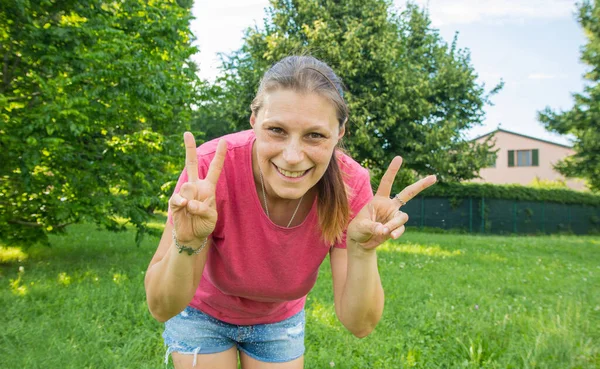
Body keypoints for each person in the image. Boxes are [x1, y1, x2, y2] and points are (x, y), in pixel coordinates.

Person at [144, 55, 436, 369]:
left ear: (340, 132)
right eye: (277, 130)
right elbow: (162, 308)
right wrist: (186, 242)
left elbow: (360, 325)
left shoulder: (351, 185)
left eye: (315, 135)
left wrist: (362, 251)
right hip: (203, 312)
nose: (293, 156)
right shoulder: (209, 169)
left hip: (279, 319)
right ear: (254, 120)